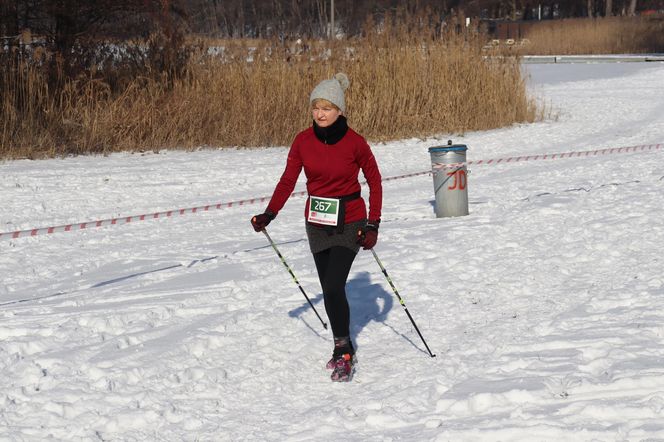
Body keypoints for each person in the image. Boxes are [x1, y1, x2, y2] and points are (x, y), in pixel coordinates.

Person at [251, 72, 383, 382]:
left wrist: (373, 223)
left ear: (339, 110)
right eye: (315, 107)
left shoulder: (356, 143)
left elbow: (375, 182)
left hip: (350, 220)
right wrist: (270, 213)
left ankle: (343, 350)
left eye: (326, 108)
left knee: (335, 285)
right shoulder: (302, 141)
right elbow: (288, 180)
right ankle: (343, 340)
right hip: (318, 222)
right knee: (328, 289)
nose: (320, 114)